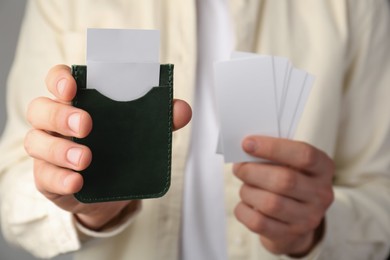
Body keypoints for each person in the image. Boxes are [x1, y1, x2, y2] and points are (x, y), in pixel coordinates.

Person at [1, 0, 390, 259]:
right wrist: (82, 209)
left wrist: (317, 230)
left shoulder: (354, 7)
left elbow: (381, 196)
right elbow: (9, 188)